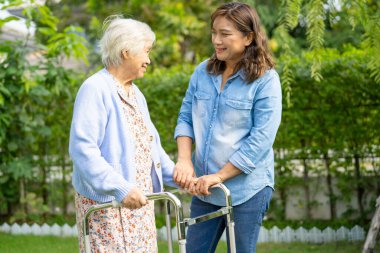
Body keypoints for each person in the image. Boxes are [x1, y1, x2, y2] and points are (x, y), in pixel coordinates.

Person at [173, 2, 282, 253]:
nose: (216, 40)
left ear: (248, 37)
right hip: (204, 187)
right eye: (214, 32)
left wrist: (219, 176)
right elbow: (185, 117)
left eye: (225, 34)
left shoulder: (266, 80)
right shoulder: (202, 72)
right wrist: (184, 160)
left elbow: (261, 140)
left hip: (247, 189)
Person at [69, 16, 176, 253]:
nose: (148, 60)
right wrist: (121, 188)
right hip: (107, 208)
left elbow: (150, 147)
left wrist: (180, 177)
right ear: (126, 51)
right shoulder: (95, 89)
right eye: (146, 51)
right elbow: (83, 150)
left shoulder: (135, 93)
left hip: (138, 209)